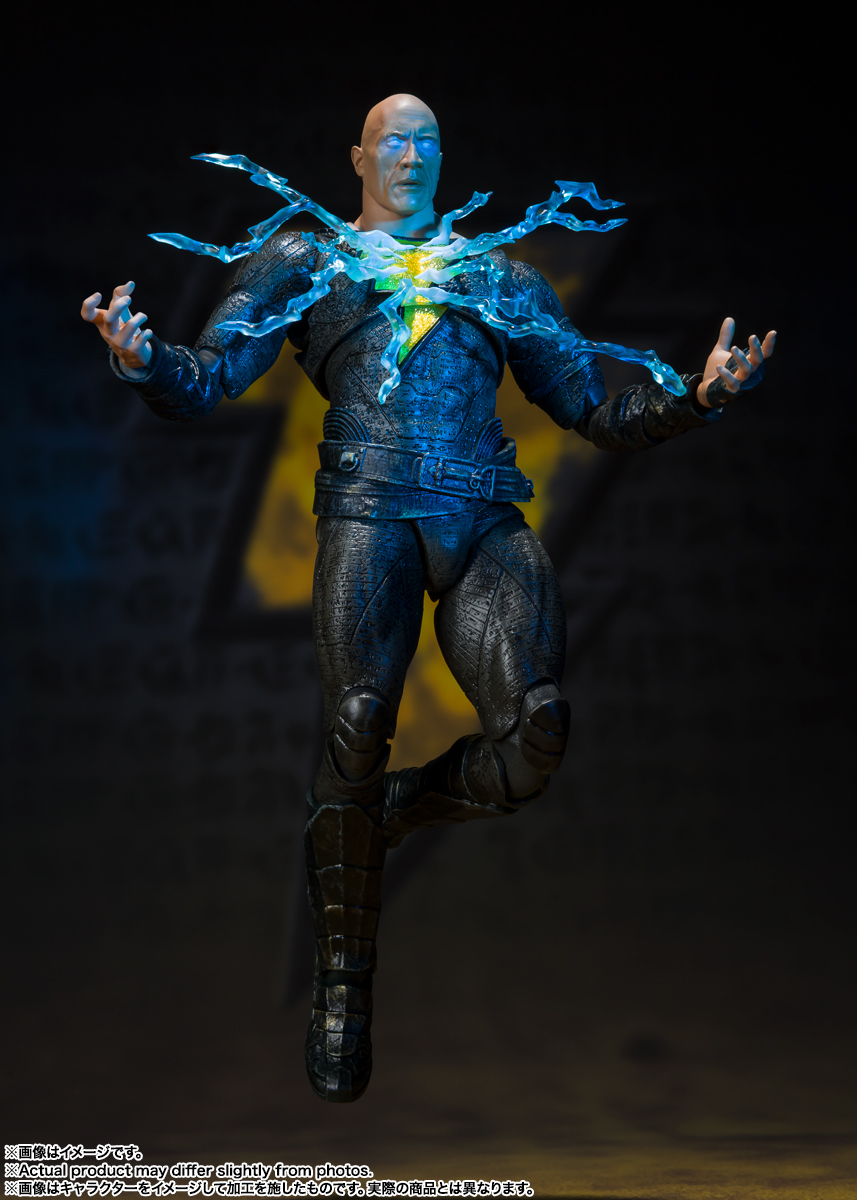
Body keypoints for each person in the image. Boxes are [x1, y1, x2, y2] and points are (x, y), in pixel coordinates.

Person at [82, 93, 776, 1103]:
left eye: (426, 142)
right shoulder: (306, 260)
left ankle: (390, 812)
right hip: (369, 515)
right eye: (391, 141)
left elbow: (592, 409)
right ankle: (342, 987)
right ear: (357, 156)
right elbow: (211, 375)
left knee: (534, 735)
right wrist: (143, 360)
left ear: (443, 159)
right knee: (357, 724)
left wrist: (699, 395)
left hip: (482, 521)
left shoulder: (496, 275)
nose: (409, 156)